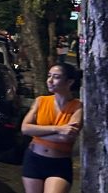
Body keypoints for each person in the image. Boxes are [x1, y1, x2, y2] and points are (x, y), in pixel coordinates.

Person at [20, 63, 82, 193]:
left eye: (56, 77)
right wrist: (58, 129)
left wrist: (37, 132)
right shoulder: (41, 101)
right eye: (49, 76)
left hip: (59, 163)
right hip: (34, 159)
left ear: (69, 82)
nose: (50, 80)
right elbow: (25, 128)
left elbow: (66, 137)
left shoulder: (77, 106)